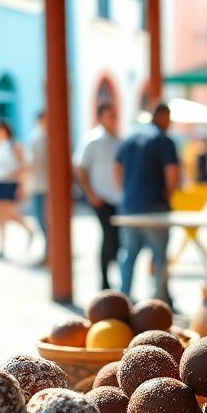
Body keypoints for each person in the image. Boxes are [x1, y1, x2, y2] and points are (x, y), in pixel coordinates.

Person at [115, 104, 179, 304]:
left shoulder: (131, 138)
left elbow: (116, 167)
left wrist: (125, 191)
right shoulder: (163, 140)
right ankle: (160, 303)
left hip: (130, 207)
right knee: (160, 257)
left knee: (129, 255)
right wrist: (167, 193)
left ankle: (123, 299)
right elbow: (172, 172)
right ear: (163, 117)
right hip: (155, 207)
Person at [74, 102, 122, 289]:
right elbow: (80, 168)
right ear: (101, 117)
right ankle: (103, 280)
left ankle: (111, 278)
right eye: (109, 115)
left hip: (117, 197)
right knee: (108, 237)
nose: (113, 120)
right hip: (101, 197)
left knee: (117, 239)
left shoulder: (118, 140)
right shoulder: (92, 140)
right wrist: (90, 193)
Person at [0, 119, 33, 259]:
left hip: (10, 183)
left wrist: (17, 180)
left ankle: (28, 230)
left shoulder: (14, 144)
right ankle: (2, 247)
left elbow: (23, 165)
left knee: (10, 213)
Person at [25, 111, 50, 265]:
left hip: (41, 186)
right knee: (43, 220)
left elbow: (32, 162)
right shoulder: (40, 137)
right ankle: (49, 251)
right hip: (42, 184)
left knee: (43, 220)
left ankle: (49, 252)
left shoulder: (37, 138)